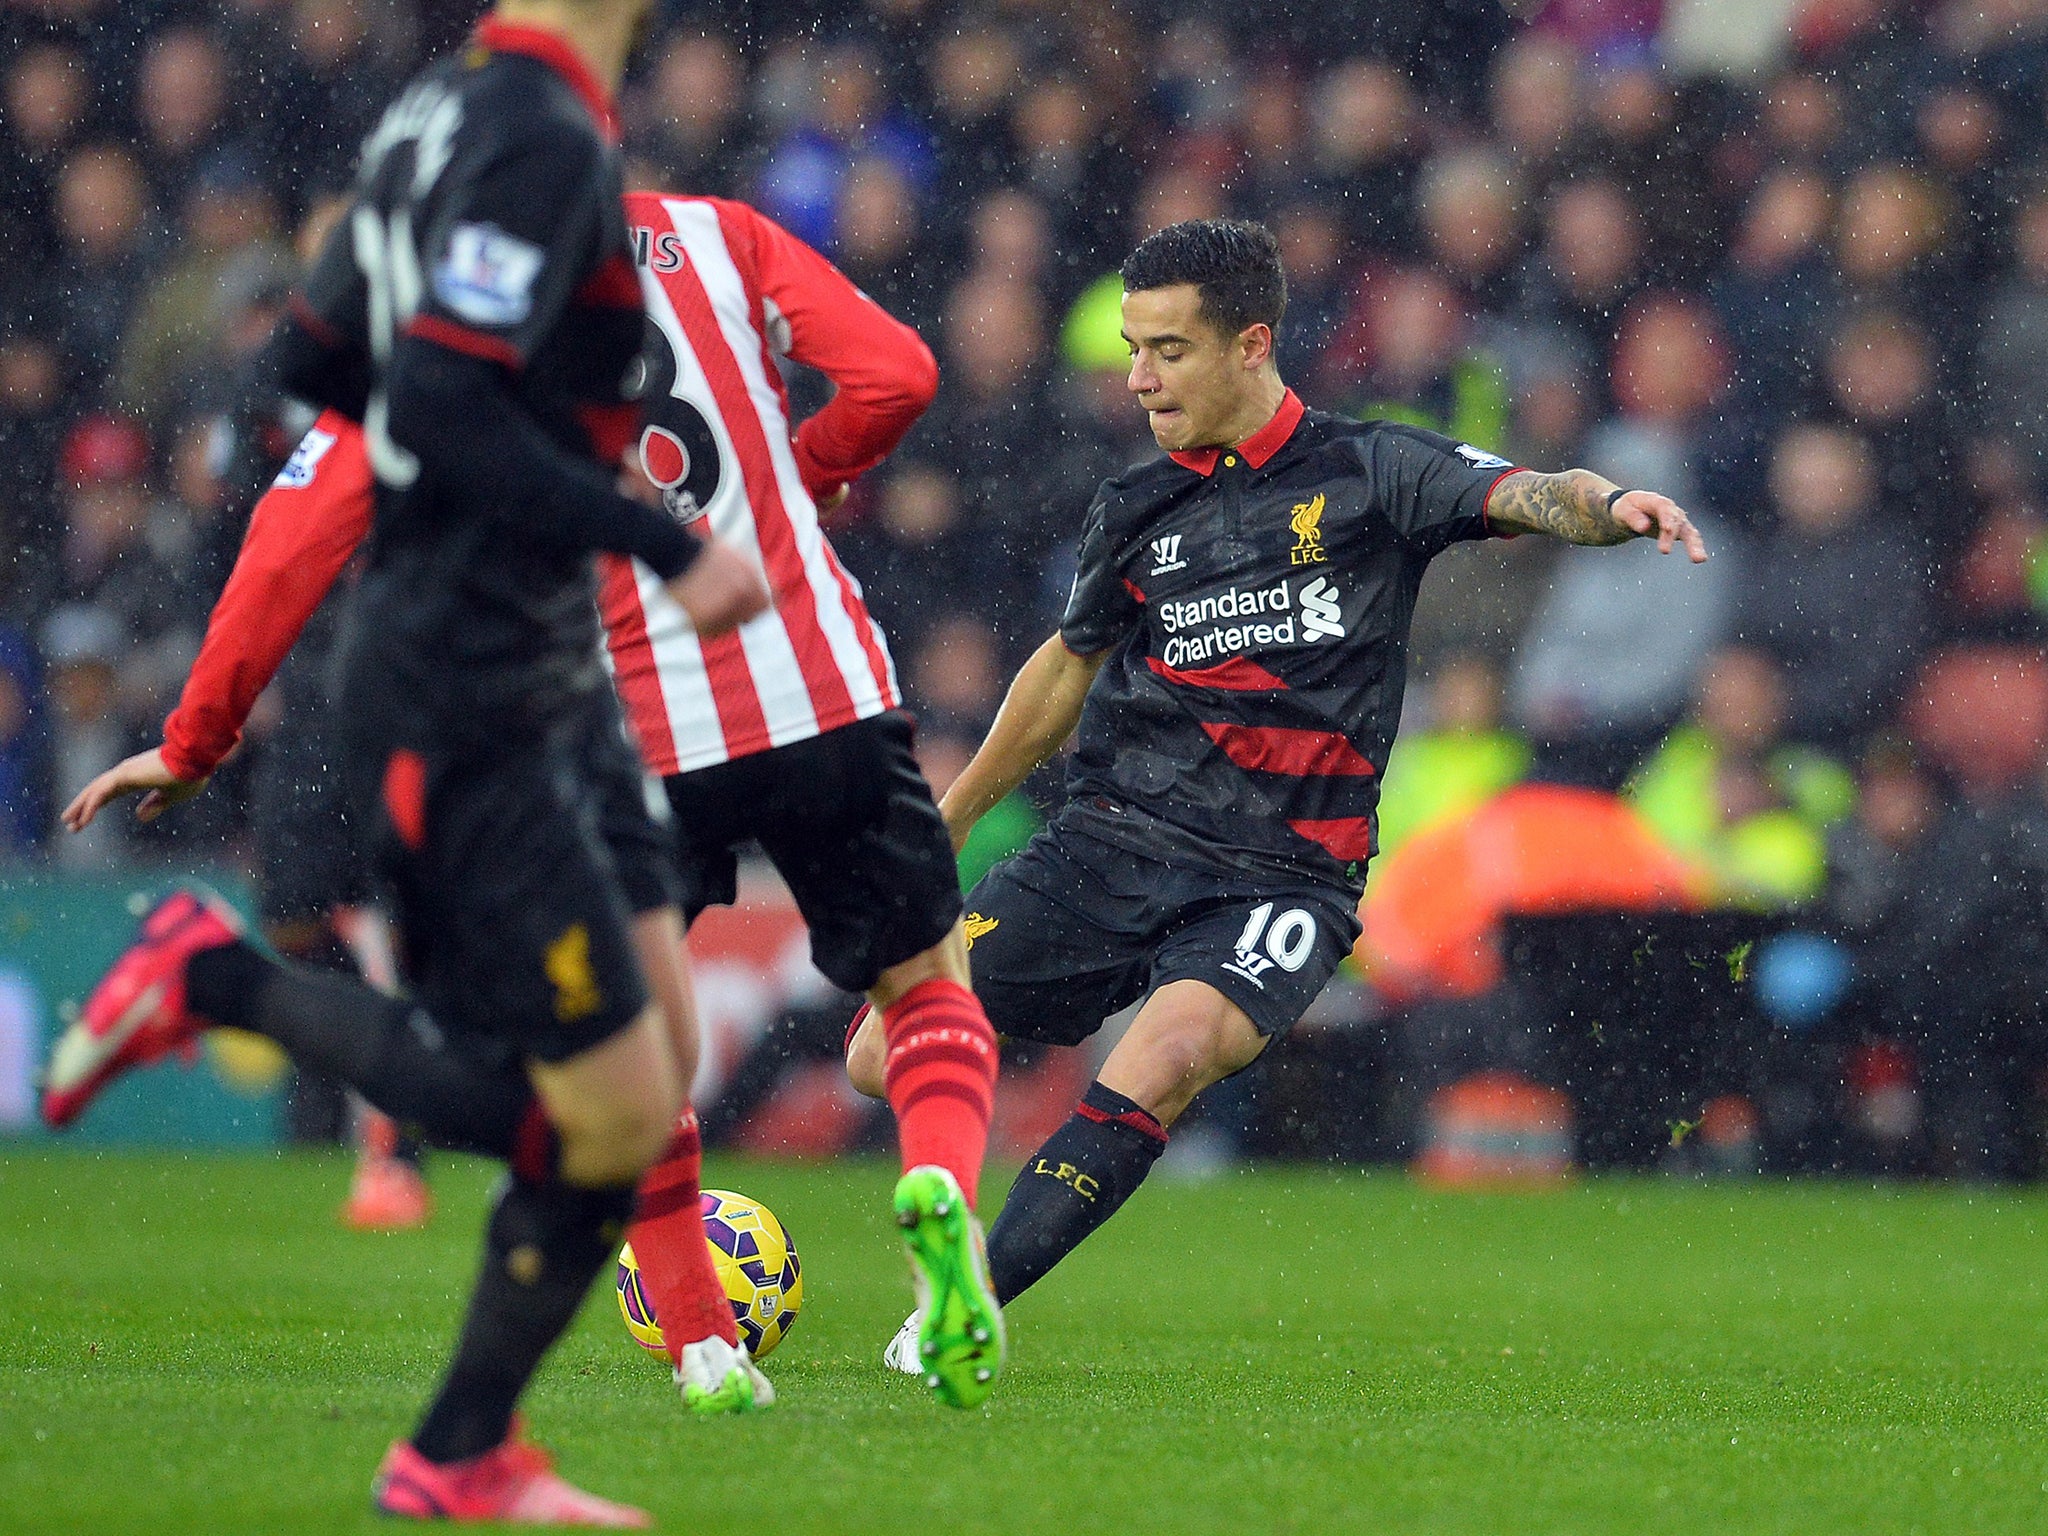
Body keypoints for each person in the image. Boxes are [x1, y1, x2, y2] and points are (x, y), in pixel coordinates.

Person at [63, 180, 1008, 1412]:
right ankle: (943, 1207)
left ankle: (702, 1344)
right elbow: (897, 374)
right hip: (817, 688)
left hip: (622, 739)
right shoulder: (716, 233)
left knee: (616, 1062)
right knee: (926, 991)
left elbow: (295, 536)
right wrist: (803, 474)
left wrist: (197, 736)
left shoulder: (443, 319)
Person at [44, 3, 771, 1525]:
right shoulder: (538, 134)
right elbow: (431, 403)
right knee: (569, 1112)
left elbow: (326, 362)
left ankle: (464, 1453)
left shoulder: (441, 116)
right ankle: (209, 979)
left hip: (541, 668)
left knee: (642, 1096)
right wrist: (660, 536)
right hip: (465, 683)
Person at [845, 218, 1707, 1362]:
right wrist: (939, 827)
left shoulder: (1372, 470)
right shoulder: (1136, 507)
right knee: (875, 1050)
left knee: (1166, 1051)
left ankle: (960, 1306)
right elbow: (1062, 673)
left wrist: (1609, 510)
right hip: (1113, 841)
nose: (1138, 378)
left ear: (1251, 345)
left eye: (1166, 350)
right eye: (1129, 348)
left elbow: (1528, 491)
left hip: (1282, 875)